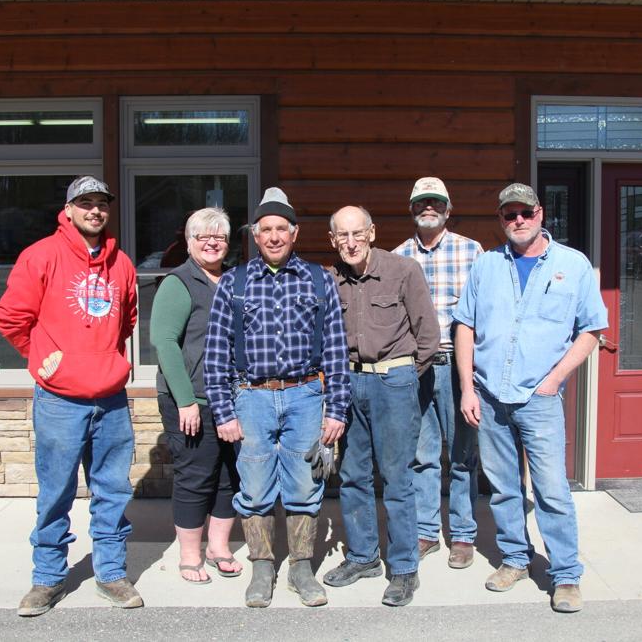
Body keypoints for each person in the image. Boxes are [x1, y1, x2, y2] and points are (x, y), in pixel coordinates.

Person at [453, 183, 607, 613]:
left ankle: (566, 575)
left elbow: (592, 329)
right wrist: (467, 387)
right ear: (501, 220)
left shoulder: (571, 265)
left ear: (540, 213)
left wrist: (555, 379)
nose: (517, 220)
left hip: (539, 398)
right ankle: (516, 559)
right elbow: (464, 326)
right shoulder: (485, 266)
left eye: (524, 212)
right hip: (489, 394)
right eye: (508, 214)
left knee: (552, 490)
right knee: (503, 488)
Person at [0, 175, 142, 616]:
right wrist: (44, 358)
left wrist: (102, 358)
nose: (95, 210)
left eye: (101, 203)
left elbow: (127, 319)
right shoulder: (41, 256)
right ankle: (47, 579)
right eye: (86, 203)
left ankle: (111, 574)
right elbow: (10, 318)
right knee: (56, 492)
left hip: (111, 399)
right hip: (59, 400)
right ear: (69, 209)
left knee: (113, 491)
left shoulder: (122, 264)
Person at [203, 187, 350, 608]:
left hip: (306, 394)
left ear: (294, 232)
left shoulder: (319, 279)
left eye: (280, 229)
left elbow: (337, 350)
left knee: (305, 485)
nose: (272, 236)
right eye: (264, 229)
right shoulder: (234, 282)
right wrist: (223, 412)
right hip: (251, 398)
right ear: (254, 234)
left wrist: (336, 408)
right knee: (253, 488)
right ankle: (262, 567)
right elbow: (216, 353)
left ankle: (301, 567)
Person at [321, 206, 439, 606]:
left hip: (394, 382)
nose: (351, 243)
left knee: (396, 477)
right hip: (348, 382)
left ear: (372, 232)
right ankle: (363, 557)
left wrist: (403, 376)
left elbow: (429, 336)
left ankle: (404, 568)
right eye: (342, 236)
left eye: (358, 233)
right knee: (352, 475)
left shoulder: (403, 270)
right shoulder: (330, 279)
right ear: (332, 240)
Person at [393, 176, 483, 569]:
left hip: (457, 367)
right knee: (422, 455)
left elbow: (485, 312)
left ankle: (462, 535)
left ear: (448, 208)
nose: (428, 208)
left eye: (435, 202)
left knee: (462, 454)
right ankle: (426, 531)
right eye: (421, 202)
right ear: (411, 208)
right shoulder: (397, 257)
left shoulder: (472, 251)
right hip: (415, 369)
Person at [150, 208, 242, 585]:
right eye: (203, 236)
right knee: (195, 477)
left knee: (229, 476)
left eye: (219, 236)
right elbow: (165, 343)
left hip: (232, 399)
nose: (212, 242)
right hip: (193, 401)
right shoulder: (180, 282)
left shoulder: (234, 280)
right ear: (189, 242)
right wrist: (186, 400)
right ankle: (190, 555)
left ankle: (219, 547)